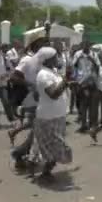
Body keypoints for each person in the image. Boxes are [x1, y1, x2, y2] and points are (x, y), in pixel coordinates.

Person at [9, 36, 48, 168]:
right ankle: (24, 155)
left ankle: (21, 154)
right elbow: (14, 77)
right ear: (36, 45)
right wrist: (30, 85)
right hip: (30, 101)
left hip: (40, 101)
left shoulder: (40, 60)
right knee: (39, 131)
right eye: (43, 44)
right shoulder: (27, 60)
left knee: (37, 132)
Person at [33, 47, 72, 179]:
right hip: (48, 117)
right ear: (48, 60)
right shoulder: (43, 74)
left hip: (58, 115)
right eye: (56, 57)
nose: (58, 59)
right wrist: (66, 80)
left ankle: (46, 172)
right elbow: (53, 94)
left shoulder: (53, 72)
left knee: (55, 147)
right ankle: (45, 172)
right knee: (53, 147)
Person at [73, 41, 101, 133]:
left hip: (91, 82)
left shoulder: (94, 54)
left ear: (89, 46)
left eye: (87, 45)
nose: (85, 47)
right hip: (81, 82)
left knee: (92, 105)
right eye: (84, 45)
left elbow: (98, 67)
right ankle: (83, 125)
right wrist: (78, 59)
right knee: (82, 105)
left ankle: (92, 125)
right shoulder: (78, 54)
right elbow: (74, 66)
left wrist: (91, 59)